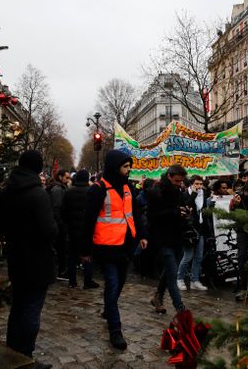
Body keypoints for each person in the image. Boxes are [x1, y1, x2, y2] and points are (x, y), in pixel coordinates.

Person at [0, 150, 56, 369]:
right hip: (38, 260)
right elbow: (49, 230)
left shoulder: (6, 192)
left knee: (18, 307)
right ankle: (25, 357)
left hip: (16, 258)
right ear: (38, 168)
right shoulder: (38, 194)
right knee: (31, 309)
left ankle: (12, 353)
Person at [81, 150, 147, 350]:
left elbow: (135, 213)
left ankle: (109, 310)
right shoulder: (98, 189)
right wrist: (85, 250)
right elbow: (88, 220)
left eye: (129, 167)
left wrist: (142, 235)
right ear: (114, 167)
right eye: (125, 166)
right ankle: (115, 329)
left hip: (125, 246)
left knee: (119, 284)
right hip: (105, 246)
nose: (128, 170)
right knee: (112, 284)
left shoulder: (128, 188)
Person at [148, 165, 190, 314]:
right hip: (163, 238)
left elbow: (178, 209)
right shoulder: (156, 191)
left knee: (169, 270)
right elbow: (152, 216)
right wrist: (174, 212)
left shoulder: (178, 191)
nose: (180, 183)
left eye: (181, 181)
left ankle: (158, 297)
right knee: (172, 275)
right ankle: (181, 310)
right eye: (177, 181)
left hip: (177, 237)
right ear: (170, 176)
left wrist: (184, 212)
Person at [61, 169, 99, 289]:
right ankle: (87, 281)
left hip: (72, 229)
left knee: (72, 256)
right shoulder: (91, 192)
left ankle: (72, 281)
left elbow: (63, 211)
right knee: (87, 254)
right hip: (87, 229)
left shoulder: (68, 192)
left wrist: (68, 223)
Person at [177, 175, 212, 291]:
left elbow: (205, 211)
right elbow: (186, 206)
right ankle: (180, 279)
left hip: (200, 229)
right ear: (191, 184)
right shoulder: (185, 194)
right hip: (189, 230)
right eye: (196, 184)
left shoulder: (204, 195)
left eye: (201, 184)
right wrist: (194, 194)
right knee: (188, 256)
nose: (199, 186)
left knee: (198, 256)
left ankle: (195, 280)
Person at [230, 169, 248, 301]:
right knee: (242, 257)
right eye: (246, 176)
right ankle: (243, 288)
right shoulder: (240, 192)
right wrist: (234, 204)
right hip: (242, 229)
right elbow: (232, 209)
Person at [47, 169, 70, 278]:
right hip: (58, 225)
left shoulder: (59, 188)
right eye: (66, 177)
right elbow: (57, 208)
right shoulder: (57, 189)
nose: (68, 179)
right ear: (60, 177)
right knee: (60, 248)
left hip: (58, 223)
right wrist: (60, 224)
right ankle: (60, 271)